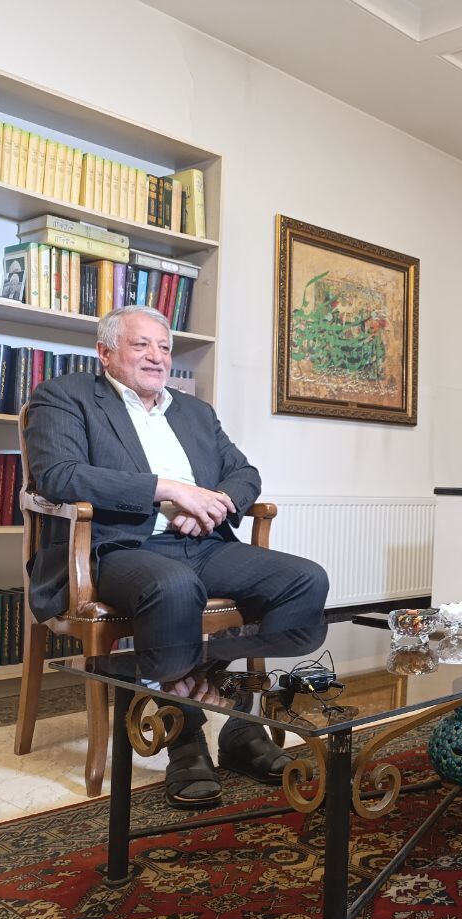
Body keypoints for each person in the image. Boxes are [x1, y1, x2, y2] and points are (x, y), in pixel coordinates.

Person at [24, 305, 330, 810]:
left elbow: (244, 474)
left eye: (164, 347)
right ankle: (185, 738)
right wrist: (169, 489)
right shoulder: (65, 396)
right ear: (105, 353)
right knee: (172, 585)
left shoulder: (194, 412)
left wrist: (214, 505)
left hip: (202, 543)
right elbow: (59, 475)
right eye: (141, 344)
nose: (157, 356)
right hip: (116, 546)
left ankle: (230, 714)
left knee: (304, 580)